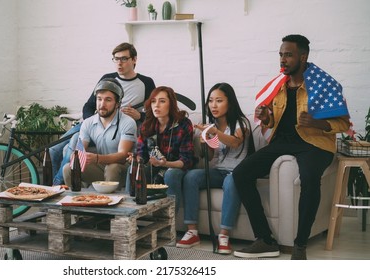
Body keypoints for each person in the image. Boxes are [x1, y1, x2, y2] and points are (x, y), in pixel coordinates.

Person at [232, 34, 351, 260]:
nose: (282, 60)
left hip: (314, 144)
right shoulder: (278, 87)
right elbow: (273, 123)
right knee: (241, 174)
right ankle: (265, 240)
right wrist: (266, 118)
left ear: (303, 56)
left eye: (288, 55)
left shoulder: (323, 85)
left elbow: (344, 123)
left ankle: (300, 246)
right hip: (283, 142)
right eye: (280, 55)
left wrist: (318, 123)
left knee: (309, 178)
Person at [51, 42, 156, 185]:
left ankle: (57, 183)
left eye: (124, 59)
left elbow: (153, 115)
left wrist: (140, 116)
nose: (119, 63)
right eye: (116, 59)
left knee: (76, 139)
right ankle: (57, 185)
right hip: (96, 120)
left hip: (123, 123)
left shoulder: (146, 82)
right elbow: (89, 105)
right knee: (53, 149)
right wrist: (94, 123)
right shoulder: (107, 79)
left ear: (134, 60)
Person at [177, 83, 254, 252]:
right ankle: (192, 232)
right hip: (219, 171)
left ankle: (224, 235)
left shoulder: (242, 123)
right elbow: (211, 157)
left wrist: (213, 132)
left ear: (230, 103)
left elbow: (234, 142)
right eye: (211, 101)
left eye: (219, 100)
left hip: (236, 173)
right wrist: (204, 142)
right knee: (191, 177)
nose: (213, 105)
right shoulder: (212, 124)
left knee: (231, 182)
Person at [126, 86, 195, 210]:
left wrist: (165, 163)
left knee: (171, 174)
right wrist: (136, 159)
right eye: (153, 101)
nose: (156, 105)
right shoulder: (146, 125)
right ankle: (129, 211)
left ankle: (170, 219)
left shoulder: (183, 124)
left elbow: (186, 160)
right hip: (154, 167)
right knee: (133, 168)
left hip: (176, 167)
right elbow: (142, 154)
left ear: (171, 104)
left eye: (162, 101)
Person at [62, 78, 137, 189]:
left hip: (125, 169)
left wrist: (97, 158)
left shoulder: (128, 122)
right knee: (68, 168)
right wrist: (77, 155)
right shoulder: (88, 123)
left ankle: (111, 203)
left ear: (117, 103)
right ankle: (77, 202)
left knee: (113, 168)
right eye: (99, 99)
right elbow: (80, 148)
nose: (102, 104)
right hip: (101, 167)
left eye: (108, 100)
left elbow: (122, 156)